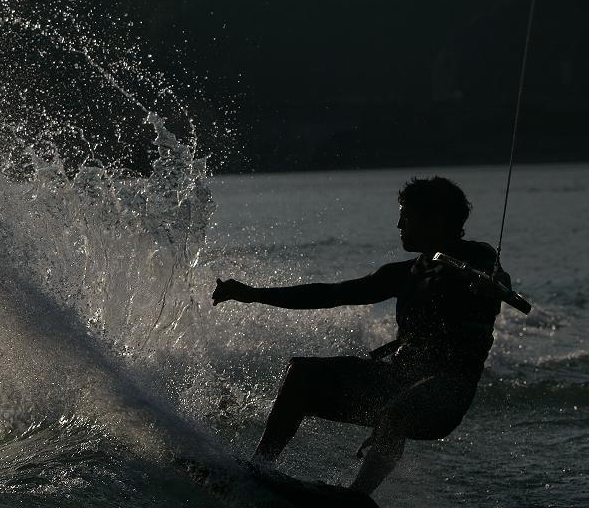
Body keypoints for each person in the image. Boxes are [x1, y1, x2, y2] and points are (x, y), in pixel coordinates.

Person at [212, 176, 511, 495]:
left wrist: (488, 283)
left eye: (406, 216)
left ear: (435, 220)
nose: (398, 224)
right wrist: (254, 294)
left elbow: (497, 276)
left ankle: (357, 497)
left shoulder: (478, 258)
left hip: (445, 393)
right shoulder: (403, 274)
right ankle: (259, 469)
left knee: (397, 410)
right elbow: (332, 294)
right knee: (302, 374)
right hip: (398, 380)